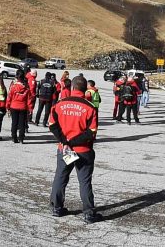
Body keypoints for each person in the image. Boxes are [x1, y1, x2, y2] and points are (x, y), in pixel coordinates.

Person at [48, 75, 100, 223]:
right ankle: (88, 213)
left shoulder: (60, 104)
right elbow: (91, 132)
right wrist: (72, 142)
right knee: (84, 181)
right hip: (83, 150)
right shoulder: (90, 107)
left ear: (72, 87)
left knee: (60, 177)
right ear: (85, 89)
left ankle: (56, 207)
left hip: (65, 149)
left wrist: (65, 141)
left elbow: (52, 125)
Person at [7, 72, 32, 143]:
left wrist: (7, 107)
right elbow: (29, 100)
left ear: (17, 78)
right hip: (23, 107)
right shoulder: (26, 88)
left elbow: (9, 98)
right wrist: (30, 109)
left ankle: (14, 137)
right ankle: (21, 138)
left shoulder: (13, 87)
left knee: (14, 122)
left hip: (14, 106)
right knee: (22, 123)